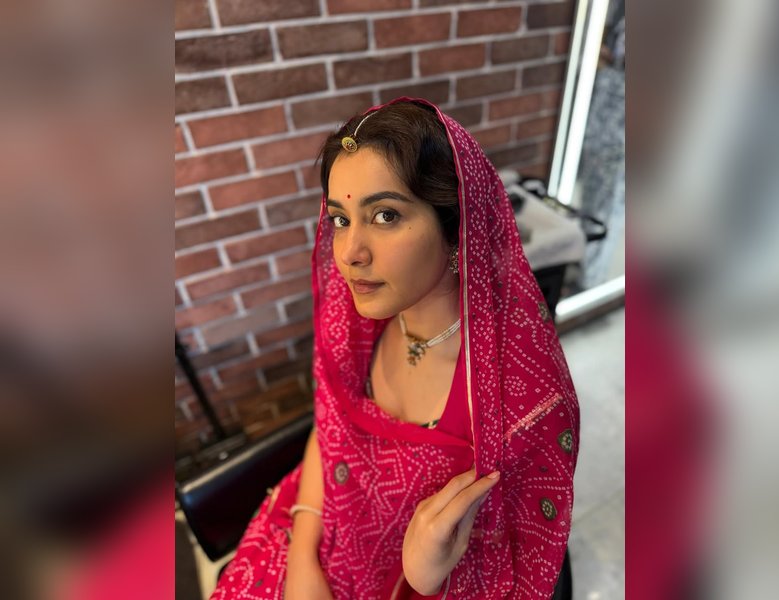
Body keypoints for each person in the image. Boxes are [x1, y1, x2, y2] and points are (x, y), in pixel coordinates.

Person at [210, 98, 580, 599]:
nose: (349, 253)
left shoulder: (522, 405)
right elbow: (330, 425)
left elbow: (519, 574)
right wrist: (302, 561)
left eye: (385, 215)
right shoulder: (362, 323)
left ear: (458, 228)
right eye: (340, 219)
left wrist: (424, 578)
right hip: (310, 529)